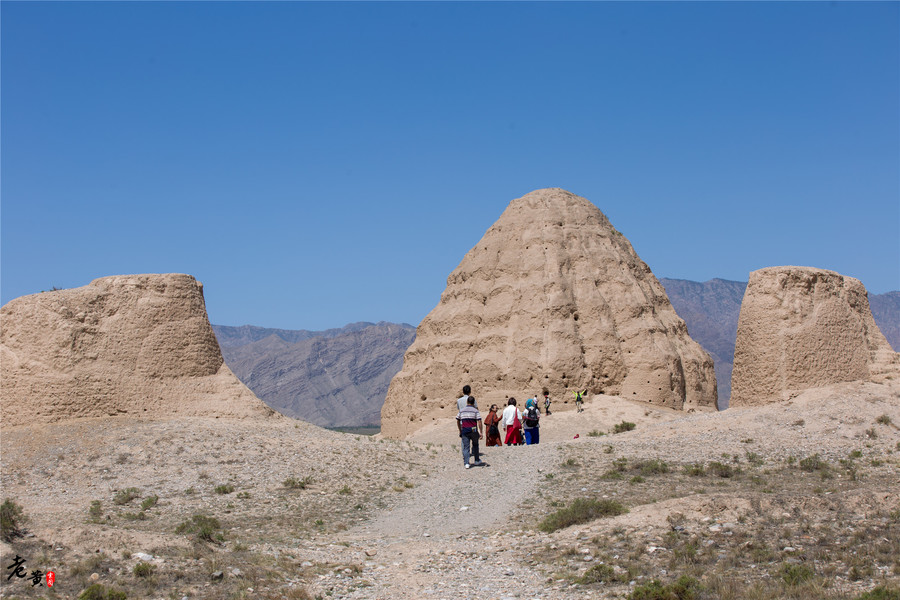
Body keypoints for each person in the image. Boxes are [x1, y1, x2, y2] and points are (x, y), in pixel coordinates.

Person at [456, 395, 484, 469]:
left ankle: (466, 463)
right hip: (474, 430)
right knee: (475, 445)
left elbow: (458, 420)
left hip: (465, 430)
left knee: (466, 447)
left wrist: (460, 430)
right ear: (474, 403)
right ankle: (477, 460)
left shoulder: (462, 410)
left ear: (467, 402)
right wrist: (481, 432)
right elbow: (479, 421)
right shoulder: (475, 410)